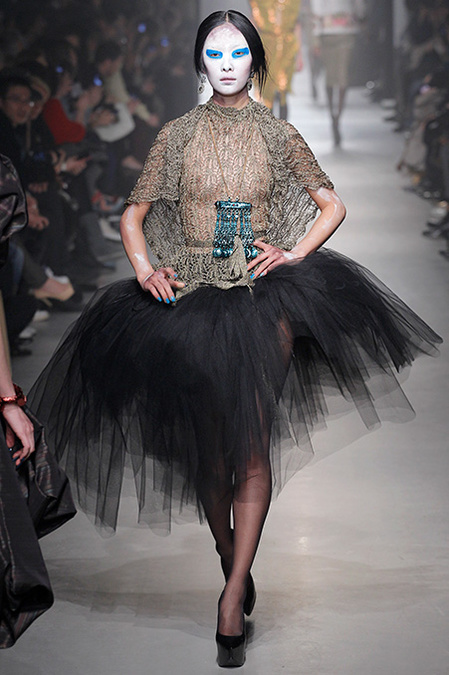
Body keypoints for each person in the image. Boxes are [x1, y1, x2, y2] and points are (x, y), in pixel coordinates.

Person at [28, 10, 441, 668]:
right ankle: (231, 558)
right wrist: (144, 268)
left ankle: (229, 597)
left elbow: (331, 204)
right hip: (188, 296)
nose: (226, 64)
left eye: (238, 52)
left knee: (249, 443)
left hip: (258, 298)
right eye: (215, 53)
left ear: (256, 60)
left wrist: (294, 254)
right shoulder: (176, 136)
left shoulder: (278, 134)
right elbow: (133, 216)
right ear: (200, 61)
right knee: (207, 450)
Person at [311, 0, 366, 145]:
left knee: (334, 77)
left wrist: (316, 35)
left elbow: (316, 6)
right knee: (341, 77)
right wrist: (361, 16)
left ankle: (334, 117)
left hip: (328, 30)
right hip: (344, 29)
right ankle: (336, 117)